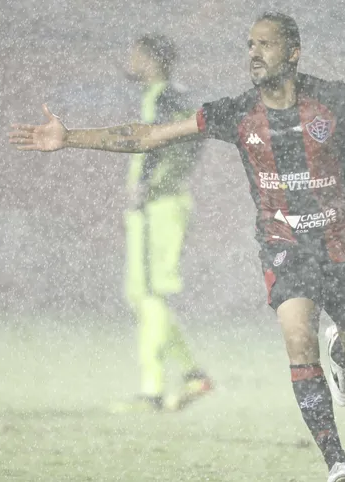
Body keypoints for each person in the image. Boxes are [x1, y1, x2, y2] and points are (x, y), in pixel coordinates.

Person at [9, 12, 345, 482]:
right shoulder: (234, 113)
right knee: (296, 338)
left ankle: (344, 349)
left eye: (265, 44)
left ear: (293, 51)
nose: (253, 53)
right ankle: (337, 463)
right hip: (286, 245)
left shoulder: (331, 98)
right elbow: (148, 135)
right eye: (248, 45)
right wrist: (70, 136)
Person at [115, 34, 212, 412]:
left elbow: (156, 143)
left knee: (151, 294)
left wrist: (145, 184)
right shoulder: (173, 97)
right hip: (159, 205)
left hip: (159, 205)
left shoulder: (164, 96)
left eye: (136, 55)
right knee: (142, 296)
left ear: (153, 60)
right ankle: (192, 375)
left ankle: (151, 390)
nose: (131, 61)